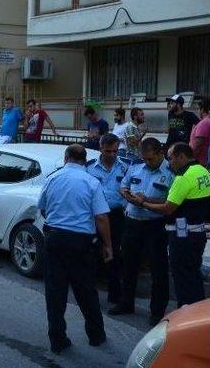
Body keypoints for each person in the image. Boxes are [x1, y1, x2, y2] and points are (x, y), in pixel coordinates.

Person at [37, 144, 113, 354]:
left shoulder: (53, 178)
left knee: (55, 293)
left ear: (66, 158)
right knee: (87, 291)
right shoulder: (91, 181)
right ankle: (96, 336)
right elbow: (101, 217)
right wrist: (108, 245)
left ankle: (57, 340)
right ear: (84, 160)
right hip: (81, 243)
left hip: (54, 239)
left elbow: (42, 207)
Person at [109, 138, 174, 326]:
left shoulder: (171, 173)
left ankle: (157, 311)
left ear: (161, 153)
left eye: (151, 159)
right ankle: (126, 302)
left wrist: (146, 200)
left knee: (158, 269)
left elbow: (171, 202)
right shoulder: (136, 168)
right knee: (129, 264)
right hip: (132, 223)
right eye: (144, 159)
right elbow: (123, 186)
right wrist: (127, 195)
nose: (147, 162)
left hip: (155, 225)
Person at [139, 143, 210, 307]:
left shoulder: (182, 178)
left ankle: (185, 315)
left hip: (182, 236)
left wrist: (143, 203)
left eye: (171, 159)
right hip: (197, 233)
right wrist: (149, 199)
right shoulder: (202, 171)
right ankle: (198, 312)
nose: (169, 163)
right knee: (193, 275)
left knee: (182, 278)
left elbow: (167, 208)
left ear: (181, 157)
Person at [86, 134, 128, 304]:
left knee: (115, 254)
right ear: (100, 149)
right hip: (95, 215)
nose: (112, 154)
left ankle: (115, 294)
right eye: (108, 151)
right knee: (93, 253)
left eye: (115, 151)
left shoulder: (125, 167)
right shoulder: (89, 168)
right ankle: (90, 294)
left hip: (116, 215)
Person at [189, 100, 210, 167]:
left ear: (202, 109)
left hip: (199, 162)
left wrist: (190, 159)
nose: (198, 111)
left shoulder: (205, 123)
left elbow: (197, 144)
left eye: (198, 109)